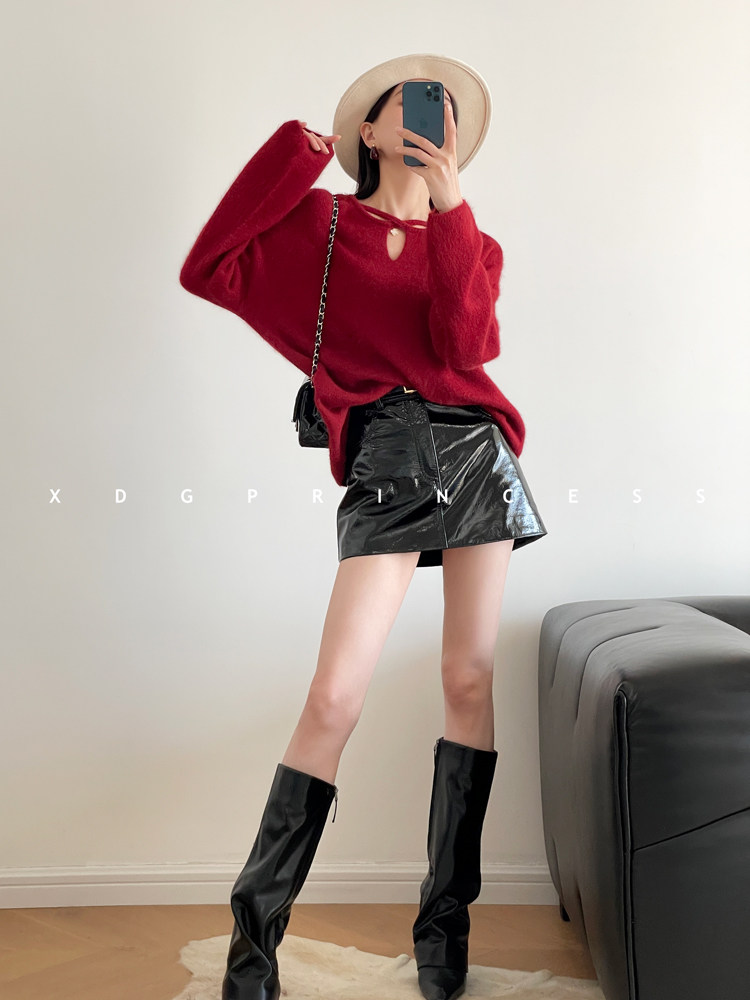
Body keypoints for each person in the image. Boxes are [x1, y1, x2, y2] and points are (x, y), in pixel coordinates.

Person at [180, 52, 547, 1000]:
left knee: (467, 678)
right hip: (388, 456)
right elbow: (207, 266)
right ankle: (253, 948)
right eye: (411, 105)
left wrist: (451, 206)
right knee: (333, 698)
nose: (431, 117)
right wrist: (299, 150)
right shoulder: (322, 226)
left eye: (446, 111)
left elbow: (467, 345)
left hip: (475, 453)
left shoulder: (473, 241)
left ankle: (443, 929)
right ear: (369, 131)